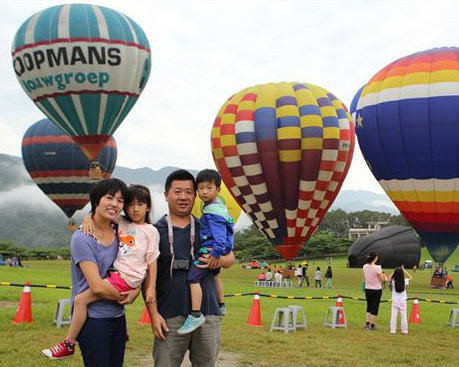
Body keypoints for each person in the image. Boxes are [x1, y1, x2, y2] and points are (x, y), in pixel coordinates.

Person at [42, 183, 160, 360]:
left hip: (118, 317)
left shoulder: (118, 229)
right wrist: (126, 295)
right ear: (97, 200)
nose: (114, 204)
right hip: (94, 320)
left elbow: (142, 258)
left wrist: (139, 289)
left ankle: (68, 343)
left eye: (120, 200)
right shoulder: (83, 238)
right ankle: (68, 343)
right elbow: (97, 287)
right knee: (80, 300)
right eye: (109, 198)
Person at [142, 169, 235, 367]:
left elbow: (231, 259)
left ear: (196, 195)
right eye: (177, 191)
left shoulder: (207, 225)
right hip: (169, 315)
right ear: (166, 195)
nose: (183, 197)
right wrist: (153, 314)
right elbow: (146, 277)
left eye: (188, 192)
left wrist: (216, 260)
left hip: (208, 314)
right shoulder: (154, 231)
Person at [177, 169, 234, 335]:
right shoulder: (218, 208)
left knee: (192, 278)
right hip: (218, 250)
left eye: (208, 188)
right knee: (215, 275)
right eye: (200, 188)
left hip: (210, 250)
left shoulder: (213, 212)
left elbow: (220, 237)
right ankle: (222, 305)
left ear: (218, 189)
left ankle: (196, 314)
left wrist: (215, 254)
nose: (203, 192)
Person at [363, 250, 387, 331]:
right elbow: (382, 280)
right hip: (376, 289)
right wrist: (384, 277)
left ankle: (367, 323)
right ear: (375, 258)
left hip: (367, 288)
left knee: (369, 306)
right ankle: (372, 325)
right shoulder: (377, 268)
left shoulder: (364, 266)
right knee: (375, 307)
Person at [388, 266, 412, 334]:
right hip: (403, 300)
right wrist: (404, 270)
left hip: (395, 300)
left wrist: (394, 271)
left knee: (393, 316)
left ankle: (392, 330)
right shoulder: (404, 281)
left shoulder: (393, 281)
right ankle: (404, 331)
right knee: (404, 316)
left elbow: (387, 279)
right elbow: (410, 277)